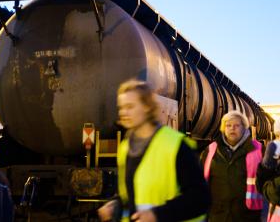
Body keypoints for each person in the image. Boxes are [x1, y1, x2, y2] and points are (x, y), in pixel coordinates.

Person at [97, 80, 210, 222]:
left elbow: (201, 198)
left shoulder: (175, 145)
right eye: (121, 107)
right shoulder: (125, 148)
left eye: (130, 106)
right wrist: (116, 204)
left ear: (146, 107)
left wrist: (157, 214)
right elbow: (131, 194)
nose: (123, 112)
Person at [200, 110, 263, 221]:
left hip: (246, 216)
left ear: (244, 128)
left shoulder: (258, 150)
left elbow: (268, 178)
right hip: (217, 216)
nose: (232, 128)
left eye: (236, 125)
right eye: (228, 125)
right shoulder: (211, 150)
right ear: (223, 129)